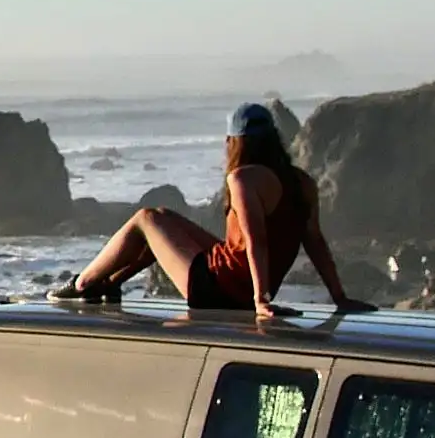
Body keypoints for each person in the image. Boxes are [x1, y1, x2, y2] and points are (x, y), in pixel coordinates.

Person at [57, 103, 370, 321]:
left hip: (221, 290)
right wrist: (338, 297)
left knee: (146, 219)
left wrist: (260, 301)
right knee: (164, 216)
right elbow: (314, 241)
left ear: (233, 141)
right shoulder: (301, 182)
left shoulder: (243, 178)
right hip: (239, 281)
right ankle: (110, 283)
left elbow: (256, 239)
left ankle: (82, 284)